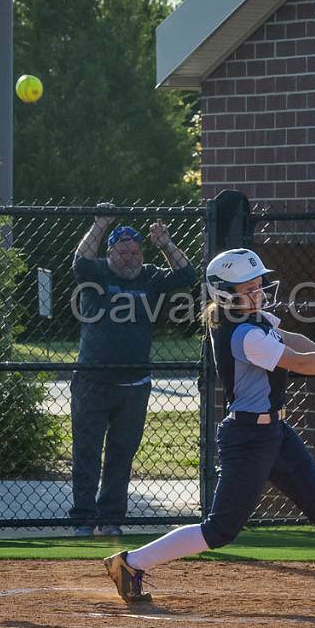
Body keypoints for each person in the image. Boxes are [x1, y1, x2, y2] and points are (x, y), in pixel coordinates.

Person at [103, 248, 315, 607]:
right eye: (247, 289)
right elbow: (296, 362)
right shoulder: (242, 334)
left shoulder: (259, 320)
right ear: (224, 294)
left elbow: (296, 343)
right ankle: (130, 563)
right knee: (219, 530)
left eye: (258, 286)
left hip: (276, 433)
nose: (258, 293)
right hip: (247, 439)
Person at [69, 205, 197, 537]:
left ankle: (111, 518)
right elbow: (79, 261)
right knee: (86, 453)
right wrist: (99, 225)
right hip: (92, 382)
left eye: (135, 251)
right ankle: (83, 518)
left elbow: (188, 275)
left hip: (135, 385)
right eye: (123, 251)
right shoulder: (97, 273)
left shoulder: (150, 276)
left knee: (121, 455)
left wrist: (166, 244)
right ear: (110, 252)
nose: (130, 257)